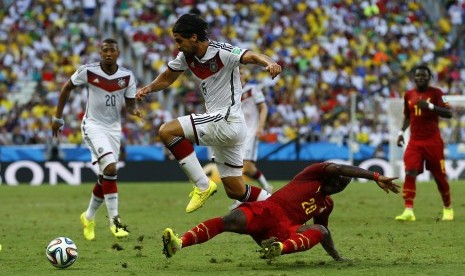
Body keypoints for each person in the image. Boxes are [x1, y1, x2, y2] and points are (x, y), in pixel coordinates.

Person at [136, 14, 282, 213]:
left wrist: (269, 63)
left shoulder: (222, 52)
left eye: (179, 40)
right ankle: (283, 207)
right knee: (236, 191)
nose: (177, 45)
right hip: (226, 126)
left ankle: (202, 185)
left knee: (167, 131)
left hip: (226, 119)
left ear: (194, 37)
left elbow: (253, 56)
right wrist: (149, 88)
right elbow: (168, 77)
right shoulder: (186, 56)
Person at [161, 162, 400, 261]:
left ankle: (278, 248)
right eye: (337, 180)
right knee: (230, 219)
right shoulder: (313, 173)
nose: (337, 186)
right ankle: (179, 243)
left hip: (285, 230)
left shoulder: (327, 203)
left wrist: (336, 256)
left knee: (320, 229)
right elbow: (339, 167)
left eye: (342, 186)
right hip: (268, 210)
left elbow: (323, 231)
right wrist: (375, 176)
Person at [51, 38, 142, 240]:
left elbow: (129, 105)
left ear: (118, 53)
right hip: (92, 125)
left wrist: (135, 110)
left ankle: (88, 216)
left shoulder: (127, 76)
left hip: (113, 130)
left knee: (105, 176)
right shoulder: (89, 71)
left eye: (112, 50)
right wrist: (57, 117)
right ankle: (115, 221)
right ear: (100, 53)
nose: (108, 53)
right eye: (105, 50)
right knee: (111, 169)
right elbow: (66, 88)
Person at [395, 64, 453, 222]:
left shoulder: (437, 93)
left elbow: (449, 113)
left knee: (439, 176)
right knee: (410, 172)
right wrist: (401, 133)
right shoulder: (409, 95)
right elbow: (408, 116)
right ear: (414, 78)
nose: (421, 78)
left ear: (429, 78)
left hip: (433, 142)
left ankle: (448, 208)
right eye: (418, 75)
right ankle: (408, 210)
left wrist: (431, 106)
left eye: (424, 75)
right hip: (414, 142)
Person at [240, 70, 273, 193]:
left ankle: (241, 197)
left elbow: (263, 107)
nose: (238, 75)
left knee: (244, 166)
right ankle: (266, 187)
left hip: (251, 131)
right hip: (238, 133)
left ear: (245, 75)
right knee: (249, 169)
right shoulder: (231, 93)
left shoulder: (252, 89)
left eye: (241, 72)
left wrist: (260, 127)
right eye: (235, 73)